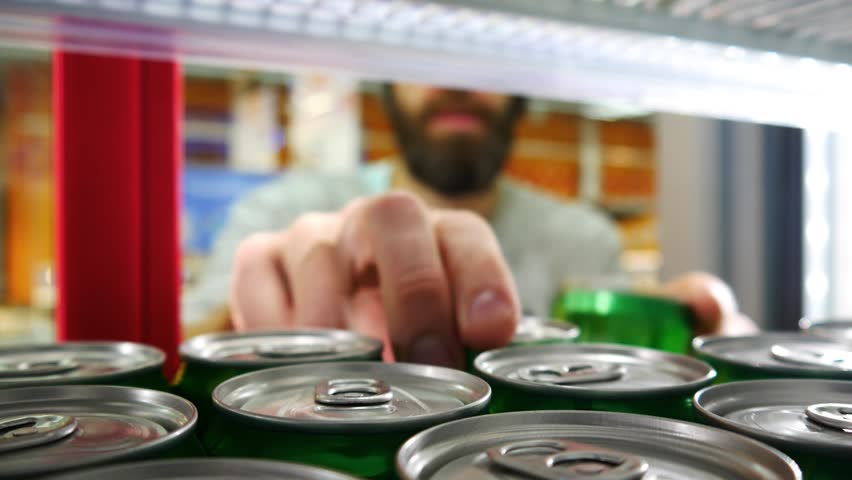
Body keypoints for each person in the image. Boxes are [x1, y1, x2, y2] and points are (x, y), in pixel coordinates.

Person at [184, 83, 756, 367]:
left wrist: (703, 354)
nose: (453, 83)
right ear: (387, 88)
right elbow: (177, 369)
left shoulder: (582, 237)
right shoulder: (282, 210)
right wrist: (254, 321)